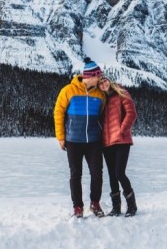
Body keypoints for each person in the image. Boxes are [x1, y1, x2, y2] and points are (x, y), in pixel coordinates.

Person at [54, 58, 107, 218]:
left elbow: (102, 117)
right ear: (91, 76)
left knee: (97, 173)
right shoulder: (68, 91)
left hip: (94, 141)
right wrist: (61, 137)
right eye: (98, 76)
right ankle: (77, 207)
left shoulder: (100, 95)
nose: (100, 78)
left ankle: (95, 203)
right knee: (75, 175)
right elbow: (58, 113)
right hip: (73, 140)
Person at [99, 77, 138, 217]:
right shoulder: (102, 99)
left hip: (121, 140)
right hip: (106, 143)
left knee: (119, 173)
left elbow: (132, 113)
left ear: (108, 80)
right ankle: (116, 208)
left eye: (104, 81)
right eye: (100, 84)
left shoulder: (121, 92)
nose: (103, 84)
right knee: (112, 175)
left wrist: (122, 130)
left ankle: (132, 206)